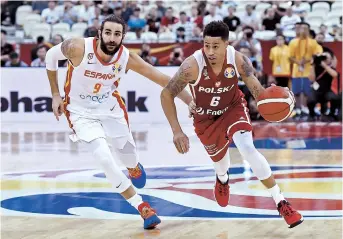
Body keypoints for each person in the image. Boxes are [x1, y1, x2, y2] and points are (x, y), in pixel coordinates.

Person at [45, 15, 192, 229]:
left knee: (128, 156)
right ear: (99, 34)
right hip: (79, 112)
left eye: (117, 34)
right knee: (104, 157)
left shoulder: (126, 58)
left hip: (111, 108)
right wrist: (56, 94)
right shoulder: (77, 47)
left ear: (123, 36)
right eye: (108, 33)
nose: (112, 38)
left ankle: (133, 167)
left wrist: (189, 100)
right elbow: (50, 56)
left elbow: (161, 78)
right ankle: (141, 206)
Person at [160, 21, 303, 229]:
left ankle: (281, 201)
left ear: (227, 44)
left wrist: (268, 98)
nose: (209, 51)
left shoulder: (237, 59)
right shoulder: (192, 66)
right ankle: (222, 179)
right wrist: (176, 131)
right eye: (206, 45)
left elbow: (256, 90)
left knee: (247, 148)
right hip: (206, 118)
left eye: (215, 46)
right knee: (221, 164)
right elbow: (166, 94)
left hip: (233, 108)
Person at [289, 22, 323, 116]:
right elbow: (290, 57)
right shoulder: (293, 42)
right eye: (301, 28)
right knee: (296, 91)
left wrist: (308, 60)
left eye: (305, 28)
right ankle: (298, 109)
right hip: (296, 70)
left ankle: (307, 108)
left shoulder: (313, 42)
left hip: (309, 71)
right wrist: (298, 62)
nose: (303, 30)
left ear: (308, 30)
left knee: (307, 91)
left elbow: (318, 54)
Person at [308, 52, 338, 120]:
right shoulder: (316, 67)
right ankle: (311, 114)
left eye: (327, 58)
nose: (325, 59)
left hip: (327, 90)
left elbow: (335, 75)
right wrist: (312, 65)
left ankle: (331, 114)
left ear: (330, 59)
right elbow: (311, 79)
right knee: (310, 100)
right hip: (316, 90)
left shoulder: (331, 67)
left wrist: (324, 65)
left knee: (334, 98)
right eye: (323, 58)